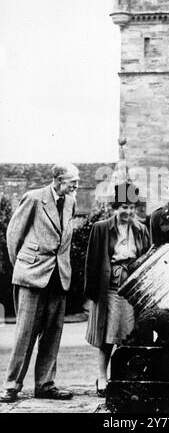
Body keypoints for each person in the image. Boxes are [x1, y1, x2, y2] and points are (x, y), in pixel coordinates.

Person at [0, 163, 80, 402]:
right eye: (72, 181)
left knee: (53, 334)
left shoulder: (71, 202)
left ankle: (45, 384)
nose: (76, 185)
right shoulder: (34, 198)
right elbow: (13, 234)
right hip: (32, 276)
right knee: (25, 333)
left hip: (59, 277)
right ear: (57, 180)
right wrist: (24, 267)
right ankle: (12, 386)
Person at [84, 182, 150, 396]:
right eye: (123, 207)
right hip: (110, 287)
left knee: (131, 336)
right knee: (108, 334)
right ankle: (102, 377)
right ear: (115, 207)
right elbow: (91, 262)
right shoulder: (101, 228)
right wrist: (92, 294)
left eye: (131, 207)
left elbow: (147, 260)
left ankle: (124, 378)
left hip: (133, 288)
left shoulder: (141, 229)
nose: (127, 212)